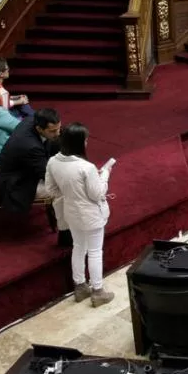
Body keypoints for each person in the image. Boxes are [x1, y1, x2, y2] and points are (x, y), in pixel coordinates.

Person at [45, 123, 115, 307]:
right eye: (85, 140)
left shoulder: (53, 161)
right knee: (94, 251)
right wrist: (105, 174)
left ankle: (80, 287)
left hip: (71, 212)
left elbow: (51, 189)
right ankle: (98, 291)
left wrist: (71, 194)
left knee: (78, 247)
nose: (86, 143)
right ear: (78, 143)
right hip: (91, 215)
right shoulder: (87, 167)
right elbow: (98, 194)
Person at [0, 108, 62, 214]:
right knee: (67, 189)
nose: (57, 133)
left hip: (21, 171)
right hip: (14, 186)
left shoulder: (31, 120)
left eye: (58, 128)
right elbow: (48, 177)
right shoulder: (31, 147)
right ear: (39, 129)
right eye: (53, 131)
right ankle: (65, 225)